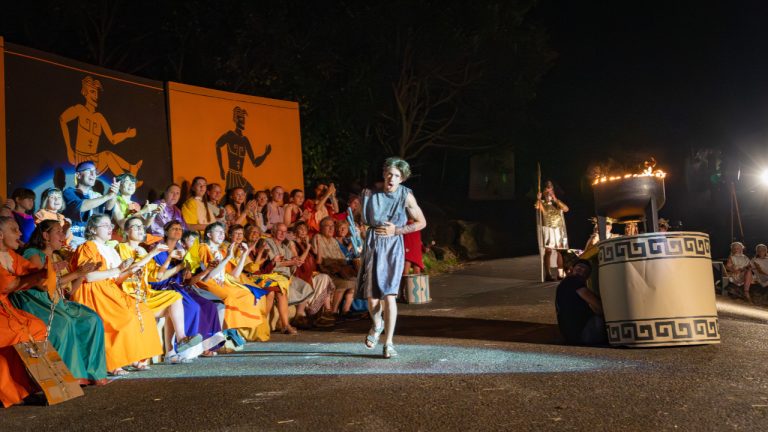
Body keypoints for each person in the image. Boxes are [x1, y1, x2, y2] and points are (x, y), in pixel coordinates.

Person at [10, 220, 107, 385]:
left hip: (57, 301)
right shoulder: (33, 253)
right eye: (59, 232)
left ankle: (90, 374)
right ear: (46, 236)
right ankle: (67, 376)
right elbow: (42, 284)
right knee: (64, 323)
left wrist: (82, 274)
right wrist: (77, 272)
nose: (63, 236)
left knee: (92, 319)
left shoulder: (56, 256)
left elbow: (68, 291)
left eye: (63, 232)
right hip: (37, 302)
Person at [69, 214, 163, 375]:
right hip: (92, 291)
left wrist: (131, 269)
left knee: (144, 312)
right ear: (92, 229)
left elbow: (117, 279)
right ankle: (114, 363)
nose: (110, 228)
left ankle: (135, 357)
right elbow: (89, 276)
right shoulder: (88, 247)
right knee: (123, 319)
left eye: (110, 225)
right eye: (105, 225)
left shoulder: (110, 250)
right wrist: (118, 269)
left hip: (110, 289)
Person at [358, 157, 426, 358]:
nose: (392, 178)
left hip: (392, 246)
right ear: (383, 174)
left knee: (389, 295)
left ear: (402, 179)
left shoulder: (406, 196)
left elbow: (421, 222)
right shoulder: (369, 194)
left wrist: (397, 230)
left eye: (397, 176)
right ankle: (377, 324)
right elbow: (362, 220)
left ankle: (389, 343)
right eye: (389, 174)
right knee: (371, 298)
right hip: (372, 243)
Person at [116, 216, 202, 361]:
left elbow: (156, 277)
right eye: (135, 227)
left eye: (141, 227)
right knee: (179, 303)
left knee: (174, 297)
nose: (140, 229)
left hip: (145, 292)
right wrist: (154, 253)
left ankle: (181, 339)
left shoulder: (143, 251)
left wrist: (170, 260)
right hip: (129, 294)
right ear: (126, 231)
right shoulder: (121, 247)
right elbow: (131, 270)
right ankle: (170, 351)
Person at [150, 221, 225, 357]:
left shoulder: (183, 252)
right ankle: (184, 349)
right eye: (174, 228)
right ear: (166, 232)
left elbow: (189, 281)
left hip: (181, 286)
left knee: (210, 306)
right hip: (164, 286)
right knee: (193, 307)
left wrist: (206, 269)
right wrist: (180, 266)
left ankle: (206, 346)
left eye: (180, 229)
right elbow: (157, 277)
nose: (178, 231)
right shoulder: (158, 249)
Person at [0, 216, 52, 407]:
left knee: (37, 326)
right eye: (14, 230)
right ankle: (17, 393)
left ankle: (36, 386)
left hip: (6, 309)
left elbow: (30, 270)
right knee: (18, 333)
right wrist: (39, 274)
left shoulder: (11, 255)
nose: (20, 233)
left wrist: (46, 271)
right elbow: (8, 285)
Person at [196, 222, 271, 341]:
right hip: (206, 282)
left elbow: (234, 275)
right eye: (218, 232)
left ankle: (235, 331)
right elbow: (208, 275)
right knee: (229, 297)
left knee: (249, 295)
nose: (221, 234)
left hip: (223, 281)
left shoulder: (221, 251)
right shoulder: (203, 248)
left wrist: (244, 254)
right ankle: (223, 334)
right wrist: (228, 257)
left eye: (222, 232)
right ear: (209, 235)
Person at [59, 75, 142, 178]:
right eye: (92, 92)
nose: (95, 96)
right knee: (107, 155)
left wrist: (127, 134)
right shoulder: (80, 109)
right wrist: (69, 149)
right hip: (81, 161)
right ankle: (128, 175)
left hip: (94, 160)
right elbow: (63, 119)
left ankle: (129, 173)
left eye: (96, 92)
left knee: (108, 155)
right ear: (85, 93)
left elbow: (113, 139)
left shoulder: (99, 117)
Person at [215, 106, 272, 194]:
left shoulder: (245, 140)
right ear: (236, 120)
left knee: (251, 192)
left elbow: (255, 162)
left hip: (240, 176)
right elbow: (217, 145)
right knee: (232, 196)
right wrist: (221, 168)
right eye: (241, 119)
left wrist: (265, 154)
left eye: (244, 119)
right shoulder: (230, 134)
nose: (243, 121)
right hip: (232, 175)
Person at [62, 161, 119, 244]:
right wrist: (106, 196)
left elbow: (108, 208)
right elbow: (80, 207)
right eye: (89, 171)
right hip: (73, 240)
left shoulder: (96, 196)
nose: (93, 174)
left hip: (92, 241)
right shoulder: (69, 192)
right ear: (78, 175)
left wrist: (113, 194)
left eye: (95, 172)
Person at [555, 259, 606, 345]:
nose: (582, 270)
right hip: (582, 334)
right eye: (580, 268)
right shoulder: (573, 281)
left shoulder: (565, 283)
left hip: (572, 335)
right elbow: (597, 305)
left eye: (584, 269)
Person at [314, 217, 357, 319]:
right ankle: (333, 312)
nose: (331, 229)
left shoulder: (333, 240)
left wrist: (340, 265)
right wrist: (334, 264)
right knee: (344, 284)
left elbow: (342, 258)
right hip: (326, 271)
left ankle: (345, 310)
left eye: (332, 226)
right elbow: (319, 260)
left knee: (354, 282)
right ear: (321, 228)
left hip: (338, 269)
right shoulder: (317, 237)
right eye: (328, 226)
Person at [535, 180, 569, 281]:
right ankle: (548, 274)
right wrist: (539, 199)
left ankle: (560, 273)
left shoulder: (557, 202)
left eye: (550, 190)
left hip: (559, 228)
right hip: (548, 228)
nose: (549, 193)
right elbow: (537, 207)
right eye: (547, 191)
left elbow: (566, 209)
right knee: (548, 251)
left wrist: (555, 199)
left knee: (560, 251)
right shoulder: (543, 203)